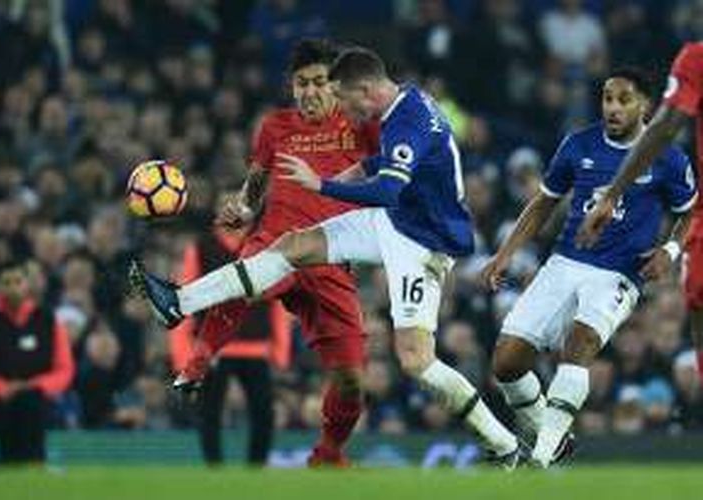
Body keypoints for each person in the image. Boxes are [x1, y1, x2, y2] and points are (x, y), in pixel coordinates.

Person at [132, 45, 520, 464]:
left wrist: (322, 185)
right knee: (276, 257)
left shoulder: (386, 120)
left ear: (357, 90)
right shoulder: (287, 124)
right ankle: (181, 308)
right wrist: (251, 205)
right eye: (304, 83)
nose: (321, 96)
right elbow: (282, 176)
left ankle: (493, 443)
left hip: (395, 247)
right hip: (336, 229)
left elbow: (388, 181)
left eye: (326, 86)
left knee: (386, 370)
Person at [157, 39, 379, 467]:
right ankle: (197, 364)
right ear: (291, 86)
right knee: (246, 278)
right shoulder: (275, 126)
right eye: (301, 83)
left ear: (335, 86)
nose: (309, 92)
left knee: (351, 382)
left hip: (330, 259)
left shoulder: (360, 127)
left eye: (318, 82)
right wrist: (243, 206)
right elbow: (256, 185)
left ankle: (329, 452)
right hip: (276, 240)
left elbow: (391, 166)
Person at [482, 68, 697, 467]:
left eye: (623, 99)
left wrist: (670, 249)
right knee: (506, 364)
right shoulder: (577, 144)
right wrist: (505, 253)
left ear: (645, 105)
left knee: (578, 345)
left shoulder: (667, 157)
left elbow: (691, 212)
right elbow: (544, 202)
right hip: (564, 261)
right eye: (607, 98)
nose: (612, 108)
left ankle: (540, 459)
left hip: (618, 273)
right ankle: (555, 436)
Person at [578, 43, 703, 385]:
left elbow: (665, 127)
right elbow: (665, 127)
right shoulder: (697, 60)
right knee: (697, 295)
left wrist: (613, 193)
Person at [169, 210, 290, 466]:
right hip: (212, 350)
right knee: (209, 414)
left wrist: (280, 350)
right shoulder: (201, 249)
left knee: (263, 414)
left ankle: (255, 470)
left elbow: (279, 301)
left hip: (256, 348)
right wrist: (183, 356)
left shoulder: (266, 247)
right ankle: (215, 470)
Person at [0, 259, 75, 465]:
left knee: (30, 403)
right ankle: (28, 466)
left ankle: (20, 467)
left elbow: (65, 370)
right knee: (18, 407)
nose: (12, 289)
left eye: (17, 281)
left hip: (40, 400)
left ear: (27, 284)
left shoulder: (48, 321)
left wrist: (35, 386)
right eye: (6, 283)